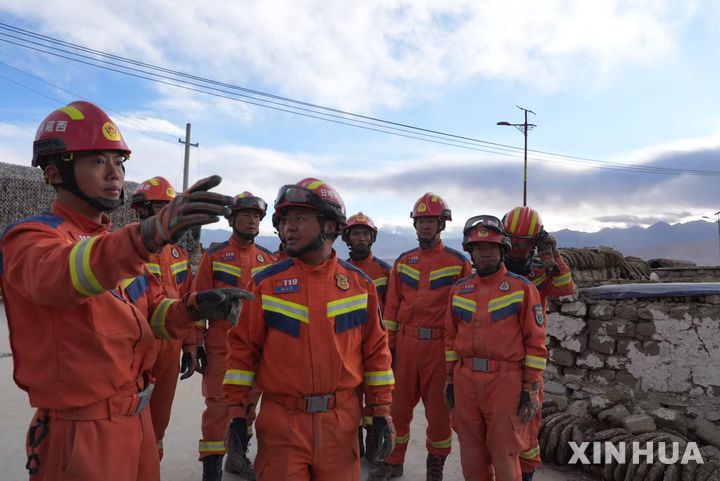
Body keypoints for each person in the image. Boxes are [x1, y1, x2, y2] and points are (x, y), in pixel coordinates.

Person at [0, 100, 249, 481]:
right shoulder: (31, 238)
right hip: (81, 432)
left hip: (136, 422)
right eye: (98, 161)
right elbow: (61, 278)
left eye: (118, 163)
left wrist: (195, 307)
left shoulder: (113, 245)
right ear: (55, 171)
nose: (114, 174)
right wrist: (147, 236)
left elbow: (154, 316)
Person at [224, 178, 396, 481]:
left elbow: (376, 353)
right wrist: (238, 415)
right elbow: (242, 353)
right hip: (282, 426)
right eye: (285, 219)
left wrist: (380, 412)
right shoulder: (266, 285)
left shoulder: (359, 286)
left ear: (330, 226)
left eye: (299, 219)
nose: (288, 227)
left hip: (341, 427)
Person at [370, 193, 471, 481]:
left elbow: (464, 311)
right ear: (415, 225)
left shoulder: (458, 262)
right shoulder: (403, 262)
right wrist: (388, 348)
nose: (425, 226)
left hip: (440, 349)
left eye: (431, 221)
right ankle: (393, 462)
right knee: (397, 409)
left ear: (441, 224)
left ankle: (435, 466)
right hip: (406, 345)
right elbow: (391, 308)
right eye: (421, 221)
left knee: (439, 414)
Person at [444, 215, 548, 481]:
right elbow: (450, 338)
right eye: (479, 248)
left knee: (504, 452)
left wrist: (530, 388)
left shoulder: (522, 288)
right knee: (471, 452)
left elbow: (536, 344)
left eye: (491, 247)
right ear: (471, 253)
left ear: (503, 250)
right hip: (466, 381)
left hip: (506, 382)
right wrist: (449, 379)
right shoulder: (459, 290)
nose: (485, 253)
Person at [192, 192, 276, 481]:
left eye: (256, 216)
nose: (252, 221)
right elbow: (196, 301)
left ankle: (237, 458)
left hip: (254, 348)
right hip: (220, 345)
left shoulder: (268, 258)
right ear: (232, 219)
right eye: (245, 215)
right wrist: (194, 343)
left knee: (247, 406)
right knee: (217, 407)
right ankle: (211, 469)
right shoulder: (214, 255)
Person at [130, 176, 204, 460]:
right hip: (136, 349)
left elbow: (187, 300)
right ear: (142, 211)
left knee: (158, 422)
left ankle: (150, 466)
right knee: (129, 421)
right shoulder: (125, 249)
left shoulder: (179, 254)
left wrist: (190, 347)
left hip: (171, 348)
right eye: (162, 209)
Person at [502, 206, 575, 481]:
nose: (519, 247)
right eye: (515, 240)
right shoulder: (492, 265)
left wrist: (553, 256)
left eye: (526, 242)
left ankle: (527, 475)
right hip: (499, 358)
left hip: (529, 357)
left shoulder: (541, 270)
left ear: (537, 241)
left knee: (528, 421)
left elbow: (566, 288)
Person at [341, 211, 391, 461]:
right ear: (347, 239)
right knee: (349, 396)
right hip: (348, 345)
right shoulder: (337, 270)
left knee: (375, 395)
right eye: (356, 234)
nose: (360, 238)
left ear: (372, 238)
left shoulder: (384, 271)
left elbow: (391, 311)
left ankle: (373, 444)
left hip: (374, 345)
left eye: (365, 234)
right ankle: (355, 442)